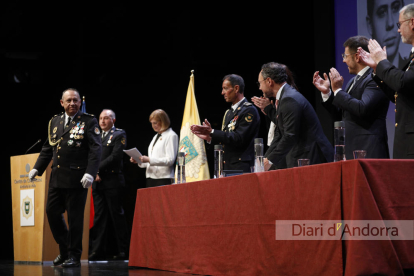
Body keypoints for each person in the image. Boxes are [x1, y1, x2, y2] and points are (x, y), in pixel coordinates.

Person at [28, 88, 102, 267]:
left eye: (75, 100)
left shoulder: (89, 121)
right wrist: (37, 168)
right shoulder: (55, 121)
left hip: (78, 178)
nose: (72, 103)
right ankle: (65, 249)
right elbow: (48, 148)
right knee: (52, 212)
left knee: (75, 219)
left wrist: (90, 173)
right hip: (57, 178)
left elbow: (96, 149)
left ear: (79, 102)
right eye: (68, 100)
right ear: (62, 103)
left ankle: (74, 257)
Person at [313, 35, 390, 160]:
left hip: (369, 151)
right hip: (351, 151)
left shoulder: (375, 78)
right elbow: (342, 116)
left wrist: (338, 90)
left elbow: (362, 109)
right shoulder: (352, 81)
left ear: (357, 56)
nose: (343, 60)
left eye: (345, 56)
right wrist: (327, 93)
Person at [358, 3, 414, 159]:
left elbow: (402, 83)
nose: (397, 29)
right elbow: (399, 94)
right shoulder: (410, 58)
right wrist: (377, 68)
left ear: (412, 23)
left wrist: (383, 61)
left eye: (400, 24)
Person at [257, 62, 334, 169]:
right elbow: (280, 133)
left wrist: (270, 160)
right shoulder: (283, 97)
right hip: (304, 156)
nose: (260, 87)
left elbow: (289, 135)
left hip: (312, 157)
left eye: (260, 83)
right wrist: (265, 159)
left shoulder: (289, 98)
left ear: (269, 81)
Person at [190, 74, 260, 173]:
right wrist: (210, 137)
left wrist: (213, 131)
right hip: (227, 165)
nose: (222, 92)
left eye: (225, 88)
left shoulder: (249, 111)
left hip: (241, 167)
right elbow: (226, 140)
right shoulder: (229, 113)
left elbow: (239, 138)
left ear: (236, 88)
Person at [89, 109, 129, 261]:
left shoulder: (119, 134)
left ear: (114, 120)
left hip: (113, 182)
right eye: (100, 118)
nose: (103, 121)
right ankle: (97, 251)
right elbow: (91, 155)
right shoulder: (96, 135)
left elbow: (116, 156)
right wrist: (94, 171)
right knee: (99, 218)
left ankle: (123, 251)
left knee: (116, 216)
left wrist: (97, 168)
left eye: (106, 118)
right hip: (98, 182)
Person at [130, 109, 178, 187]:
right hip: (151, 177)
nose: (153, 126)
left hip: (163, 178)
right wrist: (139, 161)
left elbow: (170, 160)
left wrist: (149, 159)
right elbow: (153, 160)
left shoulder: (171, 135)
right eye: (152, 123)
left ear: (163, 121)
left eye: (155, 123)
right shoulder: (156, 136)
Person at [366, 0, 408, 69]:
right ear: (370, 24)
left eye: (395, 8)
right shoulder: (366, 77)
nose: (390, 23)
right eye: (382, 12)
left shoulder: (410, 70)